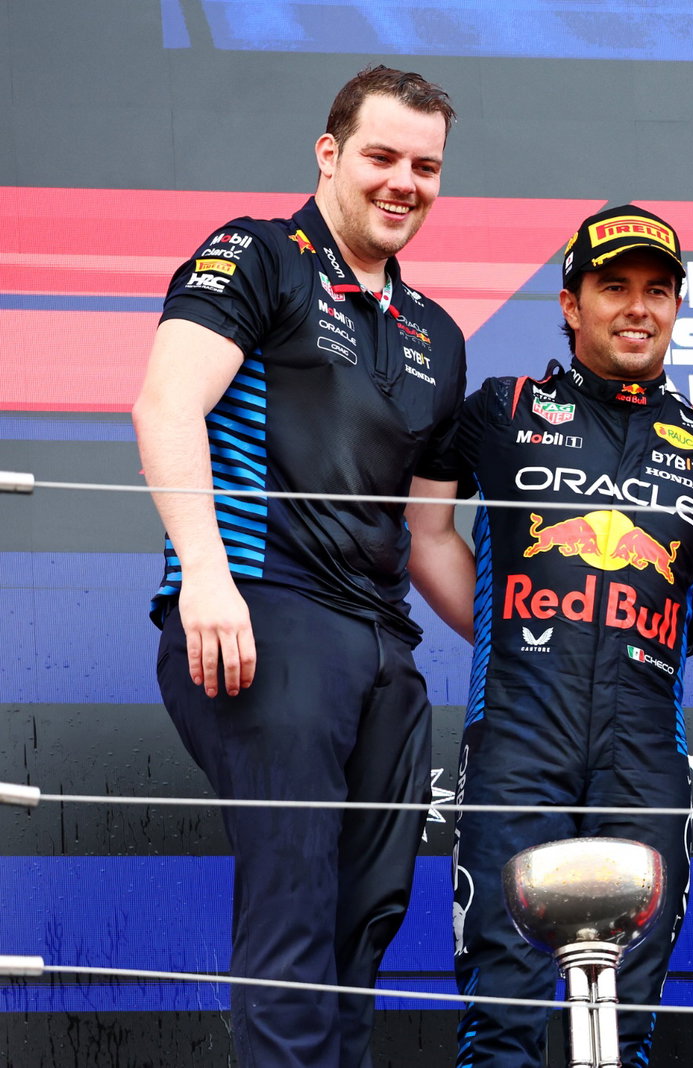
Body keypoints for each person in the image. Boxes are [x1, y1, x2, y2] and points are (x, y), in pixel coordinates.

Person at [129, 67, 465, 1067]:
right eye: (381, 157)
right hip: (262, 614)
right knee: (292, 900)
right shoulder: (258, 255)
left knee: (363, 922)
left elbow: (435, 536)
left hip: (383, 651)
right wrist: (205, 574)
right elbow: (165, 403)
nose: (402, 181)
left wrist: (529, 647)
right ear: (329, 155)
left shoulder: (438, 336)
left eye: (426, 166)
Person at [404, 204, 693, 1067]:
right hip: (519, 735)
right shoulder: (502, 409)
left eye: (657, 291)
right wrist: (505, 627)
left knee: (629, 1027)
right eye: (614, 288)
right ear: (570, 303)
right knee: (501, 1020)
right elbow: (425, 529)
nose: (638, 308)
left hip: (645, 749)